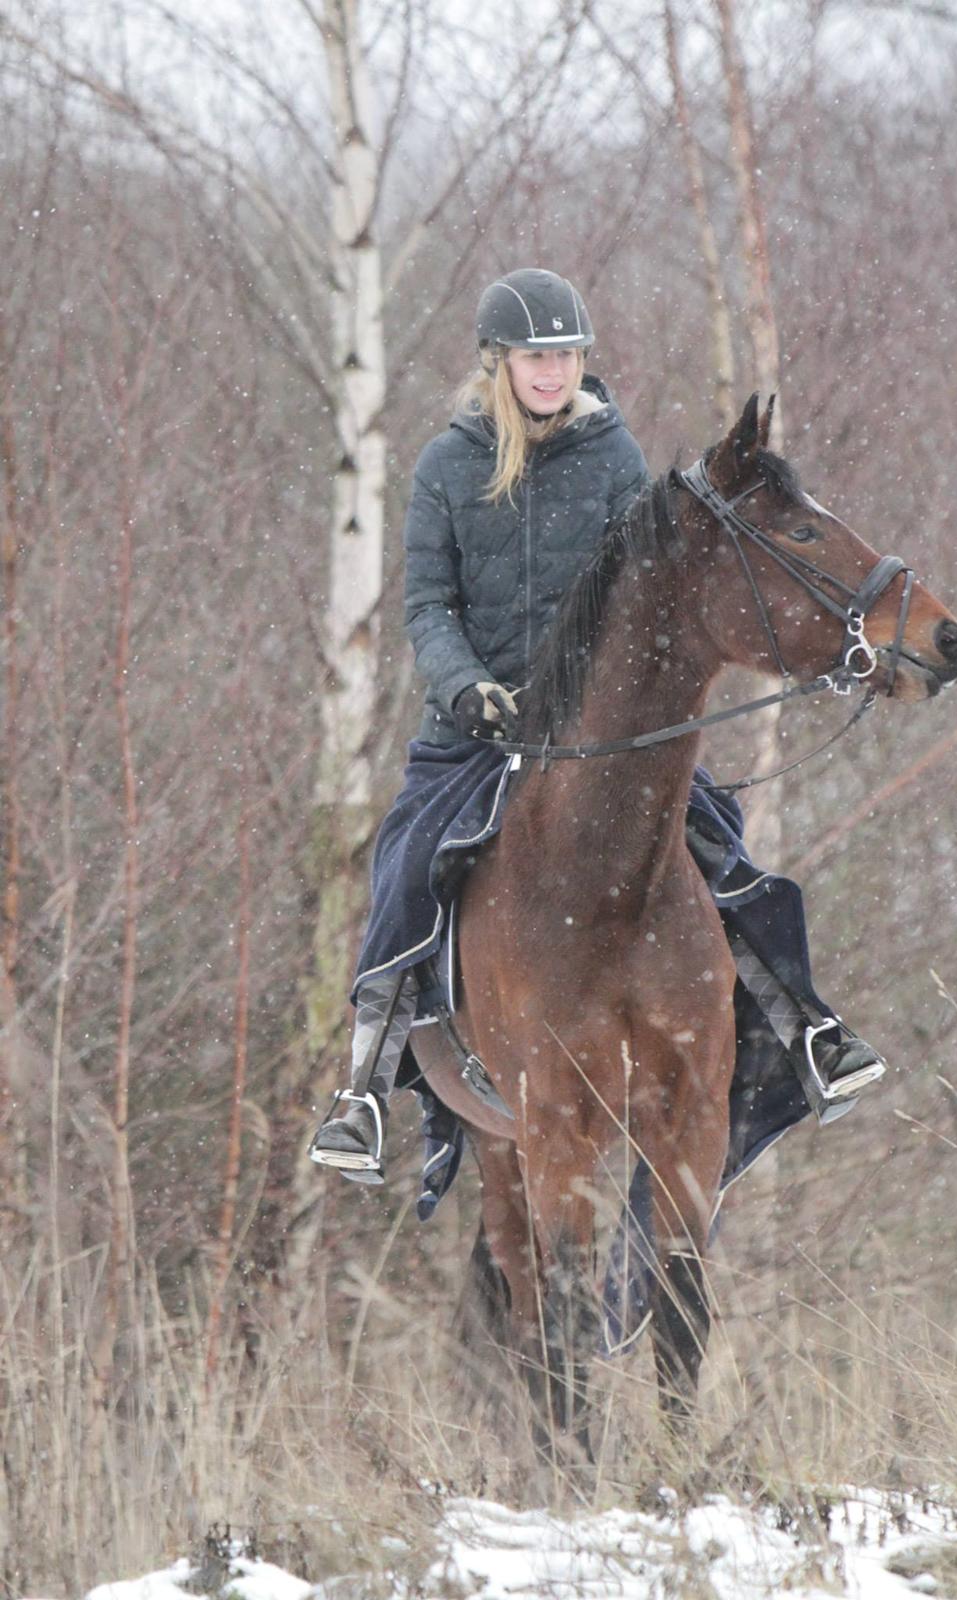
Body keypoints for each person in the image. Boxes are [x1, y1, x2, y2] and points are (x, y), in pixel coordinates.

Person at [309, 267, 884, 1186]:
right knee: (408, 862)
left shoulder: (612, 455)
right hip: (478, 731)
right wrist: (467, 689)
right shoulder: (446, 466)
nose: (554, 370)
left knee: (716, 845)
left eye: (567, 353)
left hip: (596, 733)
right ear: (500, 362)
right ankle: (365, 1089)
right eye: (538, 356)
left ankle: (807, 1027)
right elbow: (427, 608)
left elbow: (639, 594)